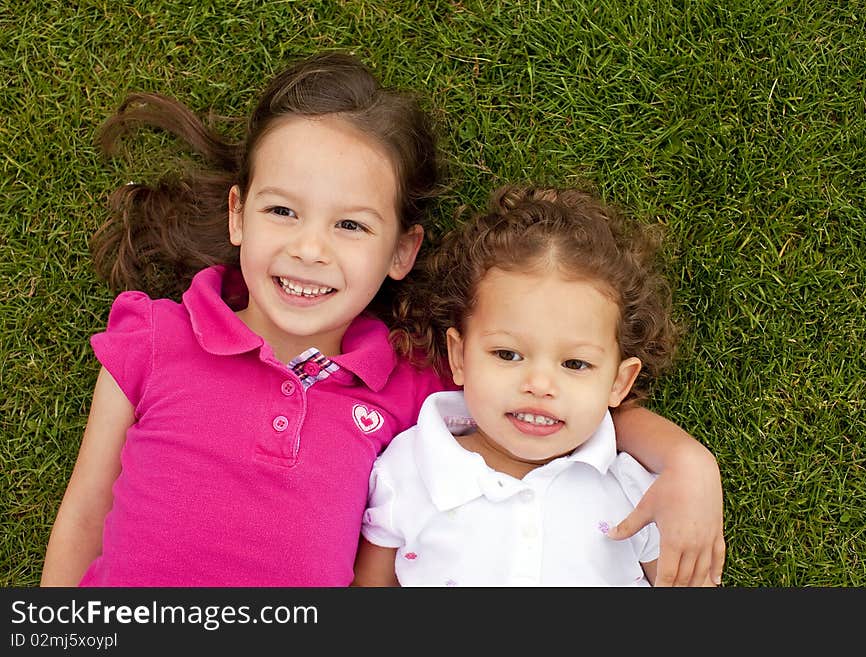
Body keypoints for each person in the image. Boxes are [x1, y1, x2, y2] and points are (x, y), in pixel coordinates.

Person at [40, 52, 723, 587]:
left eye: (350, 225)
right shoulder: (157, 337)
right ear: (236, 215)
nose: (311, 248)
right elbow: (83, 512)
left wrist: (689, 462)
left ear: (401, 251)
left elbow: (563, 403)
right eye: (283, 211)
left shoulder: (408, 382)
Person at [352, 185, 710, 586]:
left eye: (575, 364)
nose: (539, 385)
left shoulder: (631, 487)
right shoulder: (407, 471)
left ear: (619, 381)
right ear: (459, 356)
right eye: (508, 355)